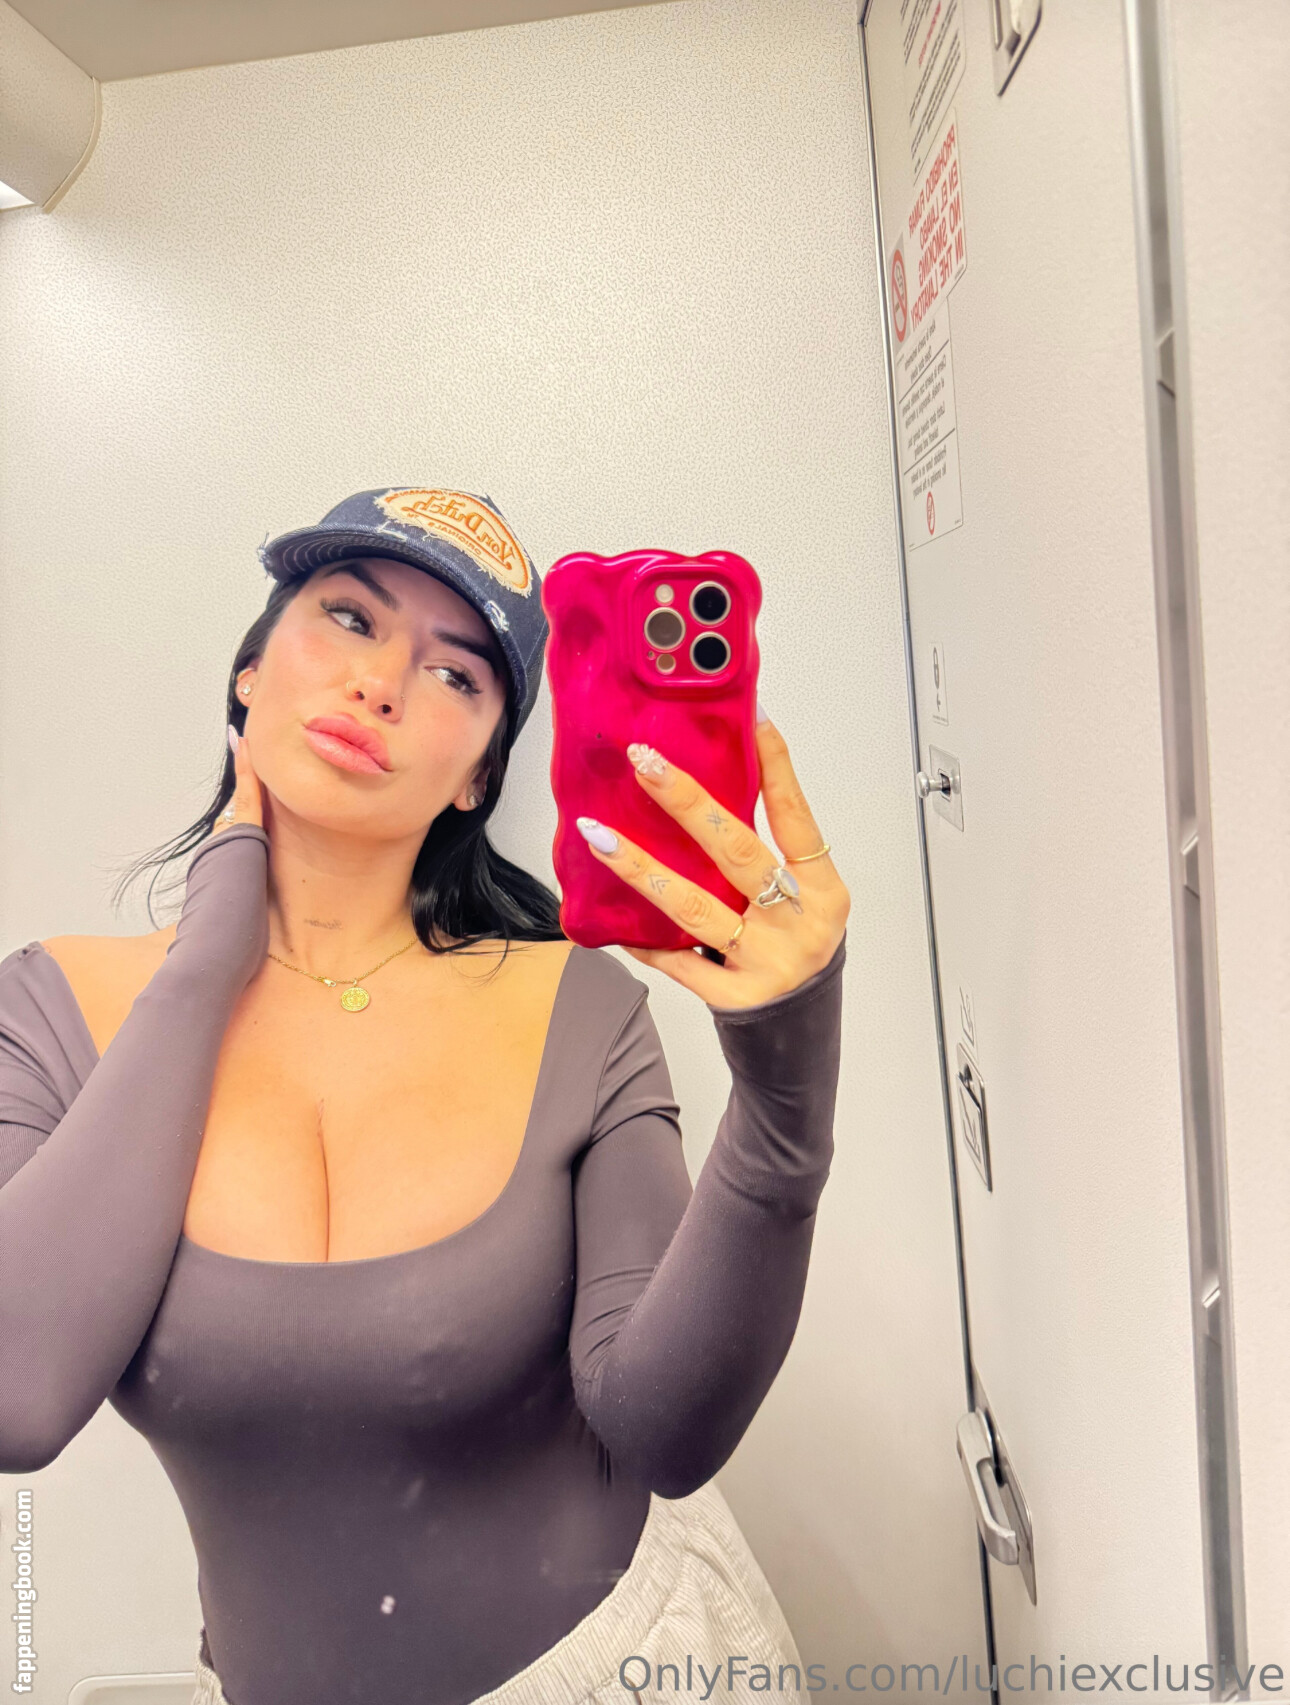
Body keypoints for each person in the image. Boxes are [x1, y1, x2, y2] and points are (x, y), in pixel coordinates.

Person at [0, 488, 848, 1705]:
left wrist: (781, 1104)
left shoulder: (576, 1006)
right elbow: (17, 1394)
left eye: (456, 675)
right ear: (250, 669)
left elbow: (664, 1432)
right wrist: (207, 959)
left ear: (478, 776)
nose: (382, 684)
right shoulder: (47, 1009)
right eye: (349, 617)